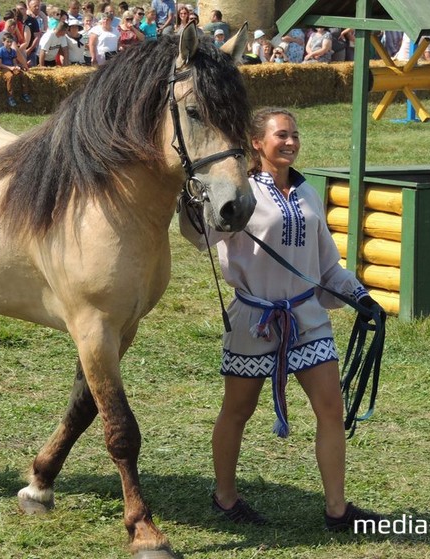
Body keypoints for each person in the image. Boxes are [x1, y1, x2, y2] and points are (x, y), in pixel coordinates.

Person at [179, 107, 383, 530]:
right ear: (257, 142)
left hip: (307, 318)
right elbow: (200, 235)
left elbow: (327, 266)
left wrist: (361, 295)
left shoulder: (308, 192)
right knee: (237, 410)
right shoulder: (240, 191)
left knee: (330, 408)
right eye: (281, 135)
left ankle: (337, 510)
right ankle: (225, 497)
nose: (290, 142)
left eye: (294, 135)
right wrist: (187, 198)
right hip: (255, 320)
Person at [0, 31, 31, 107]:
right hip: (3, 68)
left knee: (23, 75)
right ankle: (10, 97)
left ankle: (25, 94)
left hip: (12, 67)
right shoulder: (0, 51)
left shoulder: (13, 51)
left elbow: (14, 62)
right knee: (10, 77)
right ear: (3, 41)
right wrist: (10, 67)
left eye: (11, 42)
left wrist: (16, 66)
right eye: (7, 42)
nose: (9, 44)